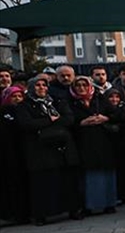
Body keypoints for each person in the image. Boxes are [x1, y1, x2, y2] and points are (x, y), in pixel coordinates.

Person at [15, 75, 82, 225]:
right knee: (42, 184)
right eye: (38, 85)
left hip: (62, 149)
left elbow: (69, 119)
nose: (41, 88)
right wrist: (49, 121)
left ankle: (72, 210)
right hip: (40, 152)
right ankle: (42, 215)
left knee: (66, 182)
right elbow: (27, 124)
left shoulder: (56, 102)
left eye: (44, 85)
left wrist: (47, 123)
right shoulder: (24, 105)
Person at [69, 76, 119, 215]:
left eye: (84, 85)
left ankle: (109, 203)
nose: (82, 88)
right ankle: (89, 205)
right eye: (78, 85)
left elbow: (117, 114)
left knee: (106, 173)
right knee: (88, 176)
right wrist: (81, 123)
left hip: (103, 141)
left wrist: (105, 118)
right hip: (83, 142)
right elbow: (67, 120)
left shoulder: (100, 99)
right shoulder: (71, 103)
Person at [0, 85, 31, 226]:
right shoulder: (3, 112)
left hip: (25, 152)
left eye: (20, 96)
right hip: (7, 154)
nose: (17, 99)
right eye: (14, 96)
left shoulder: (25, 110)